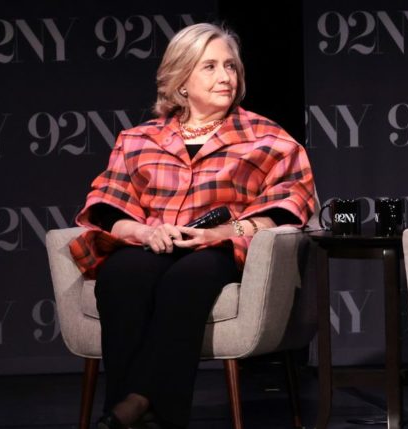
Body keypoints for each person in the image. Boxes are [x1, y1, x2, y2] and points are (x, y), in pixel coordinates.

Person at [68, 23, 316, 429]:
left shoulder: (268, 139)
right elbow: (108, 207)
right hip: (153, 243)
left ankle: (129, 407)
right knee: (120, 275)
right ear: (181, 80)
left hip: (221, 250)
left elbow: (291, 206)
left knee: (187, 279)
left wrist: (224, 232)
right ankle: (142, 412)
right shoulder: (137, 140)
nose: (225, 77)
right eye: (210, 67)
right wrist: (145, 232)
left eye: (231, 67)